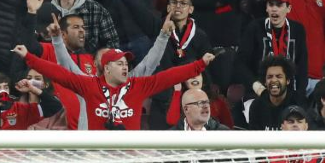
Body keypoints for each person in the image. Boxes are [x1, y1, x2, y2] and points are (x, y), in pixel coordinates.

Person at [17, 45, 214, 130]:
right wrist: (29, 57)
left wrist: (200, 65)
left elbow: (169, 76)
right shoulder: (89, 85)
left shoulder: (138, 86)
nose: (125, 67)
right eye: (119, 64)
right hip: (98, 157)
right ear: (107, 68)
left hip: (128, 158)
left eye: (126, 64)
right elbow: (59, 73)